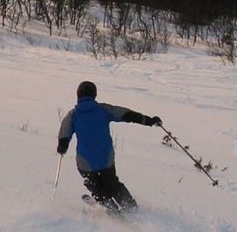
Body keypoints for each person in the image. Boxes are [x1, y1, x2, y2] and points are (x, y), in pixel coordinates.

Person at [57, 80, 161, 214]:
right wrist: (149, 121)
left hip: (85, 162)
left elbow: (64, 135)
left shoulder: (72, 115)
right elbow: (127, 115)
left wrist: (62, 147)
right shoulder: (104, 109)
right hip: (106, 158)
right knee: (113, 184)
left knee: (94, 186)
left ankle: (108, 205)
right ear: (94, 95)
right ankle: (131, 208)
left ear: (78, 95)